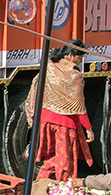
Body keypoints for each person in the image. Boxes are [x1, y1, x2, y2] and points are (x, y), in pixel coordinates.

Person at [25, 41, 93, 180]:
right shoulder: (73, 75)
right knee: (65, 161)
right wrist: (88, 128)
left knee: (51, 157)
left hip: (46, 122)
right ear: (70, 55)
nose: (80, 61)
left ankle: (40, 185)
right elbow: (78, 104)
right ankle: (64, 191)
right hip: (65, 125)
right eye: (79, 58)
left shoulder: (48, 67)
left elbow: (36, 88)